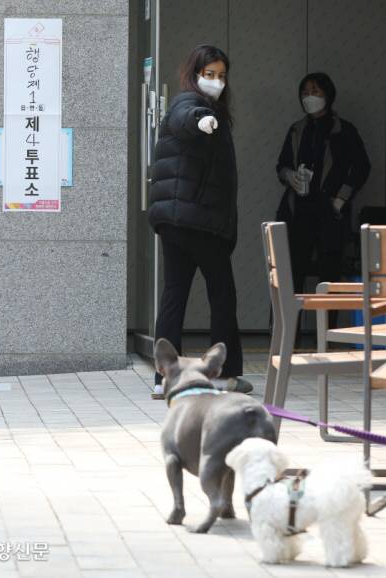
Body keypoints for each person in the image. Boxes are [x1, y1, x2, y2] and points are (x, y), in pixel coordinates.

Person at [148, 45, 252, 399]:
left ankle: (165, 379)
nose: (216, 82)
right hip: (200, 221)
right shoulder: (189, 104)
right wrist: (202, 121)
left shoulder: (205, 107)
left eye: (221, 76)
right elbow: (185, 118)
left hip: (177, 221)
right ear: (194, 75)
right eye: (209, 74)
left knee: (174, 294)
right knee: (222, 294)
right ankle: (227, 375)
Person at [276, 72, 371, 304]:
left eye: (315, 91)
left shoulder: (343, 130)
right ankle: (289, 334)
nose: (310, 97)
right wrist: (290, 176)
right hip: (298, 211)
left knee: (329, 276)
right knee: (292, 274)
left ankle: (328, 336)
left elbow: (362, 168)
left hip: (330, 213)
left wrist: (340, 199)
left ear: (328, 95)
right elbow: (281, 165)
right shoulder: (297, 129)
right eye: (305, 92)